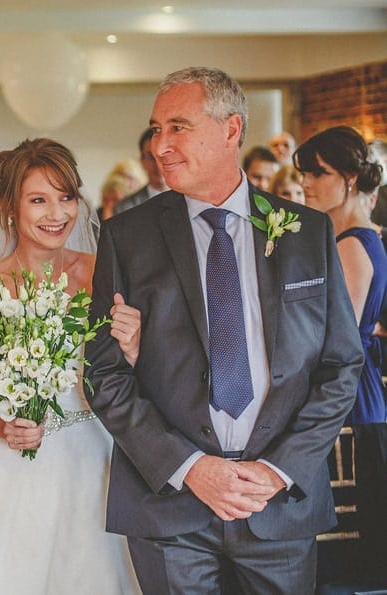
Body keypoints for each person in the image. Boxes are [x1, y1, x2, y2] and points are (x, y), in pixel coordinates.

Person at [87, 67, 364, 593]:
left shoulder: (307, 233)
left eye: (178, 127)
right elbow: (103, 372)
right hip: (168, 505)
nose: (159, 144)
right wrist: (190, 467)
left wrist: (279, 471)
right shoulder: (127, 236)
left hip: (279, 505)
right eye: (155, 129)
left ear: (231, 130)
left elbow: (341, 365)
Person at [0, 138, 142, 594]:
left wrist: (136, 348)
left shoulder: (102, 272)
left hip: (94, 459)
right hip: (9, 465)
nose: (56, 214)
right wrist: (1, 427)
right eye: (38, 200)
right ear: (9, 208)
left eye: (66, 198)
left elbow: (136, 375)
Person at [295, 125, 386, 588]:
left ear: (350, 178)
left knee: (346, 539)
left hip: (348, 403)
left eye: (318, 172)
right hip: (358, 394)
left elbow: (338, 342)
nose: (306, 182)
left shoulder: (352, 244)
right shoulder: (355, 237)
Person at [115, 127, 169, 215]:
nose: (158, 164)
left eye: (164, 155)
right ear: (142, 161)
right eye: (151, 157)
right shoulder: (126, 208)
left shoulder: (191, 201)